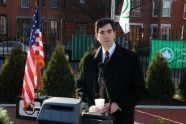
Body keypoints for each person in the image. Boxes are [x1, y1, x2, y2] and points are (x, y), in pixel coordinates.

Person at [77, 18, 145, 124]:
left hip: (121, 119)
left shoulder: (131, 59)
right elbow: (81, 88)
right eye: (102, 32)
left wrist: (118, 105)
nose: (106, 36)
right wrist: (90, 106)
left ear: (114, 34)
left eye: (109, 31)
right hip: (94, 119)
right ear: (97, 36)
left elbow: (139, 90)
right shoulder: (89, 60)